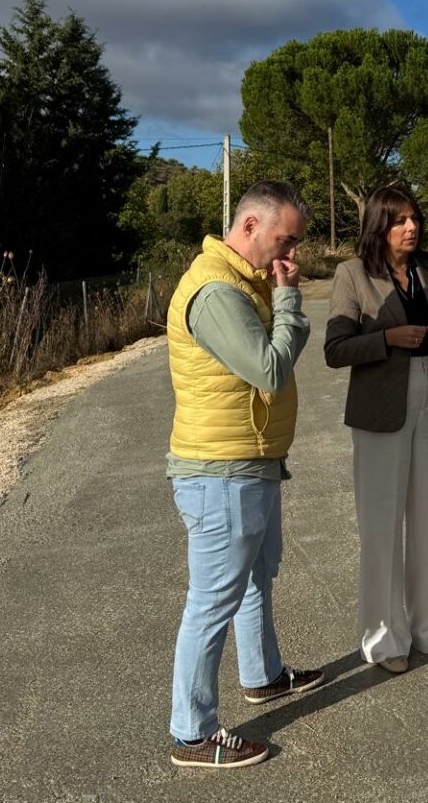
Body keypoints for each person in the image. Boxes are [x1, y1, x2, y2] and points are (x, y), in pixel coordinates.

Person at [165, 181, 325, 769]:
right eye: (285, 240)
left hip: (249, 462)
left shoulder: (242, 283)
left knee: (257, 577)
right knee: (211, 600)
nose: (292, 256)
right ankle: (191, 732)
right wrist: (289, 303)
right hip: (220, 471)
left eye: (297, 243)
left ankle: (262, 676)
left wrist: (281, 297)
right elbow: (269, 369)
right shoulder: (215, 292)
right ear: (250, 227)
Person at [325, 185, 428, 675]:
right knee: (381, 526)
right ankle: (385, 640)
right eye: (400, 220)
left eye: (415, 218)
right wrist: (386, 338)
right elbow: (335, 350)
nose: (411, 227)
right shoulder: (352, 274)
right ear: (378, 226)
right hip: (380, 408)